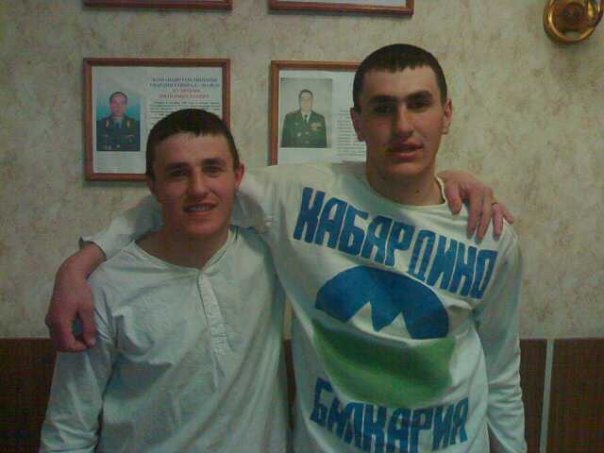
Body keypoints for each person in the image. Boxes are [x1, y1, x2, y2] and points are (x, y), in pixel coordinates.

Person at [46, 44, 520, 452]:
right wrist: (82, 262)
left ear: (446, 114)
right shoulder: (299, 196)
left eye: (419, 104)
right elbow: (191, 198)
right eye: (382, 108)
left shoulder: (488, 234)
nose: (402, 125)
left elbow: (501, 375)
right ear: (356, 122)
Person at [41, 109, 288, 452]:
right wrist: (78, 266)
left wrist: (81, 259)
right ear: (153, 186)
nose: (198, 188)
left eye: (212, 169)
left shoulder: (270, 255)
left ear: (238, 176)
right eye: (178, 174)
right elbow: (68, 429)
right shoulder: (104, 289)